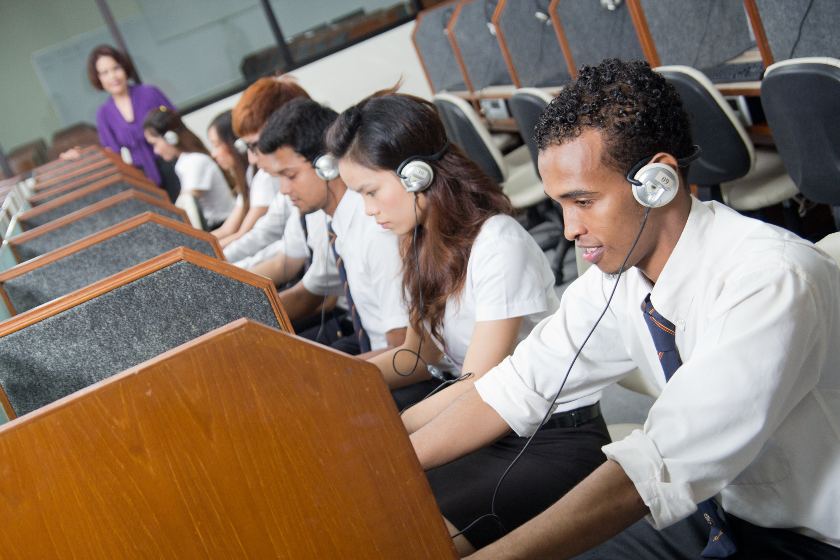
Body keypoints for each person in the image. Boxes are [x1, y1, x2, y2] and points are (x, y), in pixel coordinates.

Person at [408, 59, 840, 559]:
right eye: (561, 204)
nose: (569, 228)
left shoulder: (767, 280)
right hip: (720, 512)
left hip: (812, 538)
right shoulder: (619, 278)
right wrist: (386, 460)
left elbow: (658, 464)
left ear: (656, 182)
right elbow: (517, 385)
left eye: (584, 201)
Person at [326, 92, 609, 550]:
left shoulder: (498, 242)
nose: (367, 210)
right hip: (482, 426)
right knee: (370, 506)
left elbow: (479, 381)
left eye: (370, 192)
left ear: (415, 175)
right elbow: (418, 356)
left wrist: (388, 435)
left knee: (406, 536)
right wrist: (332, 381)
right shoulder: (418, 241)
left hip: (550, 437)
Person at [255, 98, 407, 355]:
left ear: (327, 165)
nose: (283, 190)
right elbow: (311, 289)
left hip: (396, 365)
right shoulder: (337, 224)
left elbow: (403, 352)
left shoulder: (374, 228)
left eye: (290, 176)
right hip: (372, 350)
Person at [221, 77, 310, 267]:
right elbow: (264, 233)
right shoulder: (282, 185)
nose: (252, 159)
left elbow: (284, 258)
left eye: (256, 146)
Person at [87, 44, 179, 199]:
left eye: (116, 68)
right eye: (105, 73)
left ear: (124, 68)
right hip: (142, 178)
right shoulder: (104, 114)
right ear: (98, 78)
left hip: (173, 163)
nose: (113, 77)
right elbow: (113, 155)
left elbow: (177, 126)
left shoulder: (150, 93)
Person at [143, 107, 234, 230]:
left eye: (155, 144)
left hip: (223, 224)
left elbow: (187, 205)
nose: (156, 151)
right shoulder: (185, 161)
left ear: (170, 137)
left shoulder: (194, 161)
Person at [206, 110, 278, 248]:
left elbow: (244, 233)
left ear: (236, 145)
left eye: (216, 145)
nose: (213, 154)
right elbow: (227, 229)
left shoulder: (264, 177)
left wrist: (202, 252)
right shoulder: (250, 174)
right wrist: (192, 245)